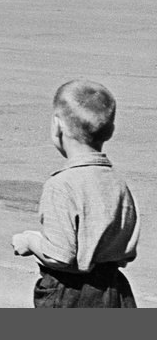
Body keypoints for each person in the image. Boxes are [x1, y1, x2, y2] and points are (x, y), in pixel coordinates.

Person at [12, 79, 140, 308]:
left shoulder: (61, 185)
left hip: (71, 294)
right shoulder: (117, 182)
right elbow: (126, 247)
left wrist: (30, 241)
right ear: (110, 130)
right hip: (114, 290)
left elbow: (60, 256)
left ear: (57, 126)